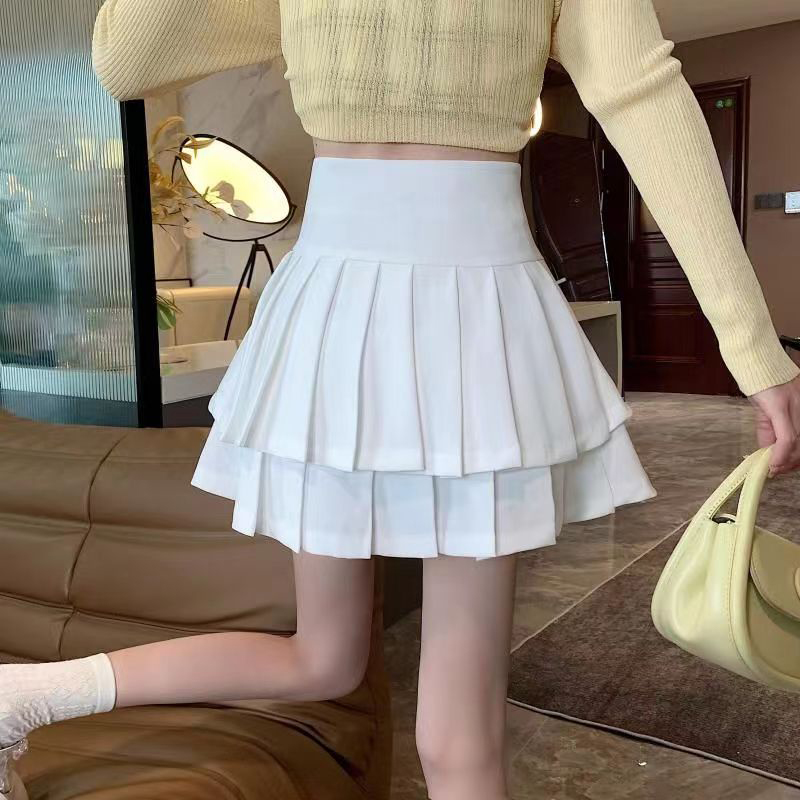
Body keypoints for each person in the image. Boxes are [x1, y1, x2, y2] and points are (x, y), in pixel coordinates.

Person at [2, 1, 800, 798]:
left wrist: (751, 348)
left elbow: (128, 58)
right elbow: (128, 60)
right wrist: (754, 352)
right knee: (413, 707)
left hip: (377, 310)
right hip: (433, 312)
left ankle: (24, 694)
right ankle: (27, 694)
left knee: (354, 674)